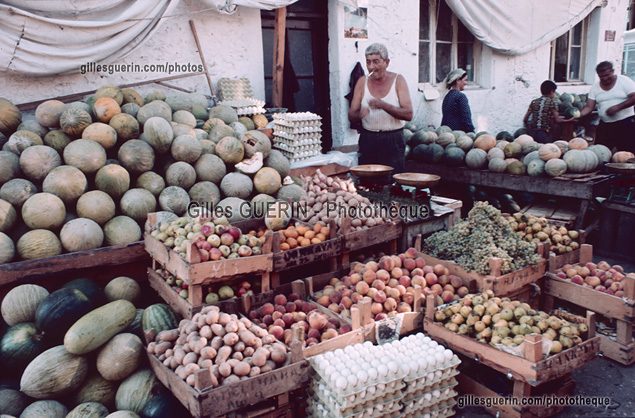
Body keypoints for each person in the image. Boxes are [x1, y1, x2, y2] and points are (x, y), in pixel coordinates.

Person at [348, 43, 413, 174]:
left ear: (387, 62)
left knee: (392, 180)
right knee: (368, 181)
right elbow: (351, 115)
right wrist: (359, 115)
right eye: (368, 62)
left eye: (376, 62)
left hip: (393, 140)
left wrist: (383, 105)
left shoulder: (398, 81)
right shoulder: (362, 82)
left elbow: (408, 114)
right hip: (368, 139)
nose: (371, 66)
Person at [579, 61, 635, 153]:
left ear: (612, 71)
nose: (605, 78)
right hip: (606, 125)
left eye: (607, 75)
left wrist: (618, 107)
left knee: (627, 154)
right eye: (602, 76)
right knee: (600, 152)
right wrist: (579, 115)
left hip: (626, 124)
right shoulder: (595, 87)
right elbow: (589, 107)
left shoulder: (624, 81)